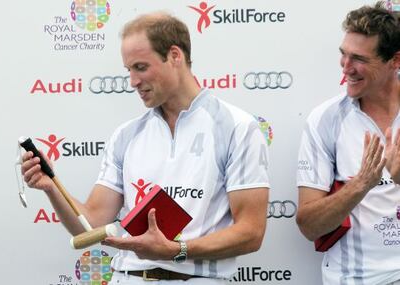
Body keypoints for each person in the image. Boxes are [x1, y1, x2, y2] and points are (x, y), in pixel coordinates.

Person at [21, 12, 270, 284]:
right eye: (128, 70)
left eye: (140, 67)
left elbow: (251, 232)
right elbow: (90, 225)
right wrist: (52, 187)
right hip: (126, 277)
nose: (133, 81)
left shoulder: (237, 127)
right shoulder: (126, 135)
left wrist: (176, 251)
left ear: (175, 56)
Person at [296, 2, 400, 284]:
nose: (346, 68)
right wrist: (361, 184)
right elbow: (308, 226)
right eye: (343, 55)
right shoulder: (325, 120)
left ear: (395, 61)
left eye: (359, 59)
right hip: (355, 278)